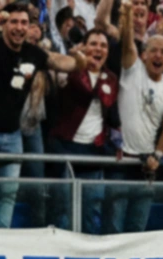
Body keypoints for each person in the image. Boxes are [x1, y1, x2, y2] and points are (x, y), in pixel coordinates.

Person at [0, 3, 87, 228]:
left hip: (14, 135)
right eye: (14, 22)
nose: (19, 28)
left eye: (24, 23)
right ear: (4, 25)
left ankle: (0, 243)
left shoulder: (33, 53)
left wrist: (79, 59)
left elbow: (63, 63)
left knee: (8, 194)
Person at [113, 0, 163, 233]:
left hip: (146, 165)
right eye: (154, 50)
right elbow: (128, 44)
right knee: (114, 224)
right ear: (144, 55)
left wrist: (158, 155)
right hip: (120, 160)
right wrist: (129, 13)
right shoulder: (132, 70)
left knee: (137, 227)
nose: (159, 55)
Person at [48, 27, 116, 233]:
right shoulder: (69, 69)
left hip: (94, 151)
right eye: (93, 44)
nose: (98, 49)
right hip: (65, 146)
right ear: (84, 47)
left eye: (103, 45)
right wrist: (77, 62)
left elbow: (109, 105)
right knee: (64, 210)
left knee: (91, 210)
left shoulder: (111, 78)